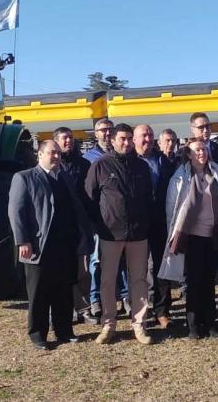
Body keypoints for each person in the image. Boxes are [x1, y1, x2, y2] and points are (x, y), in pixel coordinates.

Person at [8, 140, 93, 350]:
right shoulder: (24, 178)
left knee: (63, 290)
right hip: (38, 246)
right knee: (39, 292)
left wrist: (82, 236)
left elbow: (75, 209)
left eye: (58, 154)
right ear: (40, 155)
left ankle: (64, 330)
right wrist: (23, 240)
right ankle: (38, 334)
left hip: (65, 245)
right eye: (52, 153)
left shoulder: (63, 177)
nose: (56, 157)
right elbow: (16, 212)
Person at [85, 123, 155, 345]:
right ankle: (108, 324)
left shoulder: (142, 167)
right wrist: (99, 226)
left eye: (128, 139)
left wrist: (145, 222)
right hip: (109, 235)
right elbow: (90, 199)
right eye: (121, 139)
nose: (125, 143)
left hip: (138, 234)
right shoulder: (100, 166)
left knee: (139, 281)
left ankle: (139, 325)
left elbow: (148, 199)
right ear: (112, 141)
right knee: (107, 281)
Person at [159, 138, 218, 339]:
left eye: (204, 149)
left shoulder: (217, 173)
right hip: (191, 237)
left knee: (209, 281)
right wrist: (172, 234)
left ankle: (210, 323)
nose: (202, 153)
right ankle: (192, 325)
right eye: (197, 150)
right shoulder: (180, 176)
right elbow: (172, 209)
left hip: (213, 235)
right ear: (189, 154)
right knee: (192, 282)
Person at [82, 118, 131, 320]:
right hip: (102, 223)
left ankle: (126, 297)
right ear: (96, 133)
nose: (107, 133)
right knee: (96, 262)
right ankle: (96, 299)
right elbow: (89, 193)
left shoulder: (124, 156)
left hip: (122, 223)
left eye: (110, 129)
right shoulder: (89, 158)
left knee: (124, 262)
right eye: (103, 130)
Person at [189, 111, 218, 318]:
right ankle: (198, 316)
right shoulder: (186, 153)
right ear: (192, 130)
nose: (205, 130)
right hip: (195, 226)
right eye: (200, 127)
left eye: (207, 126)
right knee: (198, 274)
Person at [133, 124, 177, 328]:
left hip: (160, 222)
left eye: (150, 136)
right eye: (144, 136)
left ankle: (162, 310)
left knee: (161, 267)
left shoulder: (163, 161)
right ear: (135, 139)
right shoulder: (129, 161)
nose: (147, 139)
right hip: (136, 224)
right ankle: (139, 311)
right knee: (138, 270)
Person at [53, 127, 98, 326]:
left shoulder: (84, 165)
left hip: (81, 225)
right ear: (56, 142)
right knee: (61, 269)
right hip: (59, 226)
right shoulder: (52, 166)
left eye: (70, 138)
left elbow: (90, 195)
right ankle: (66, 308)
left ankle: (84, 309)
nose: (68, 141)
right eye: (64, 139)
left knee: (83, 269)